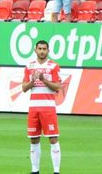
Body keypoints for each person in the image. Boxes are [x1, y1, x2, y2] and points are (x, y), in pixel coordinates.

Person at [22, 40, 63, 174]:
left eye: (44, 49)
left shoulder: (53, 66)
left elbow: (58, 87)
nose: (42, 51)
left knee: (53, 138)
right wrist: (33, 81)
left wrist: (43, 79)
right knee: (34, 139)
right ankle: (35, 171)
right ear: (35, 50)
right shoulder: (29, 66)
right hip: (34, 108)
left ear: (48, 50)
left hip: (48, 107)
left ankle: (56, 171)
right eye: (39, 49)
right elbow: (23, 88)